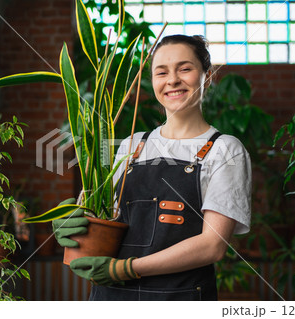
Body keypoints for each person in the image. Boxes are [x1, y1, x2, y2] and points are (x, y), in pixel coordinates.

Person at [53, 34, 251, 301]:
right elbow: (103, 217)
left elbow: (212, 246)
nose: (172, 80)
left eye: (185, 68)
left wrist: (127, 268)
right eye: (161, 72)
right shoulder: (132, 145)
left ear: (206, 75)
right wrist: (72, 222)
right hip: (111, 299)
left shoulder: (225, 149)